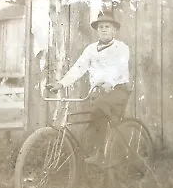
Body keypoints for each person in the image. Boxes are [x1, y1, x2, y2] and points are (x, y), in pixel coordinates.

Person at [47, 10, 131, 166]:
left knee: (98, 111)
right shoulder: (91, 49)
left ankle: (100, 154)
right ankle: (91, 156)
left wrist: (109, 83)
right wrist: (61, 83)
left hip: (118, 90)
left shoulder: (121, 48)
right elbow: (79, 67)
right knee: (93, 120)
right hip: (99, 93)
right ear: (97, 31)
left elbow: (119, 68)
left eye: (107, 26)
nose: (104, 29)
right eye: (101, 27)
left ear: (114, 30)